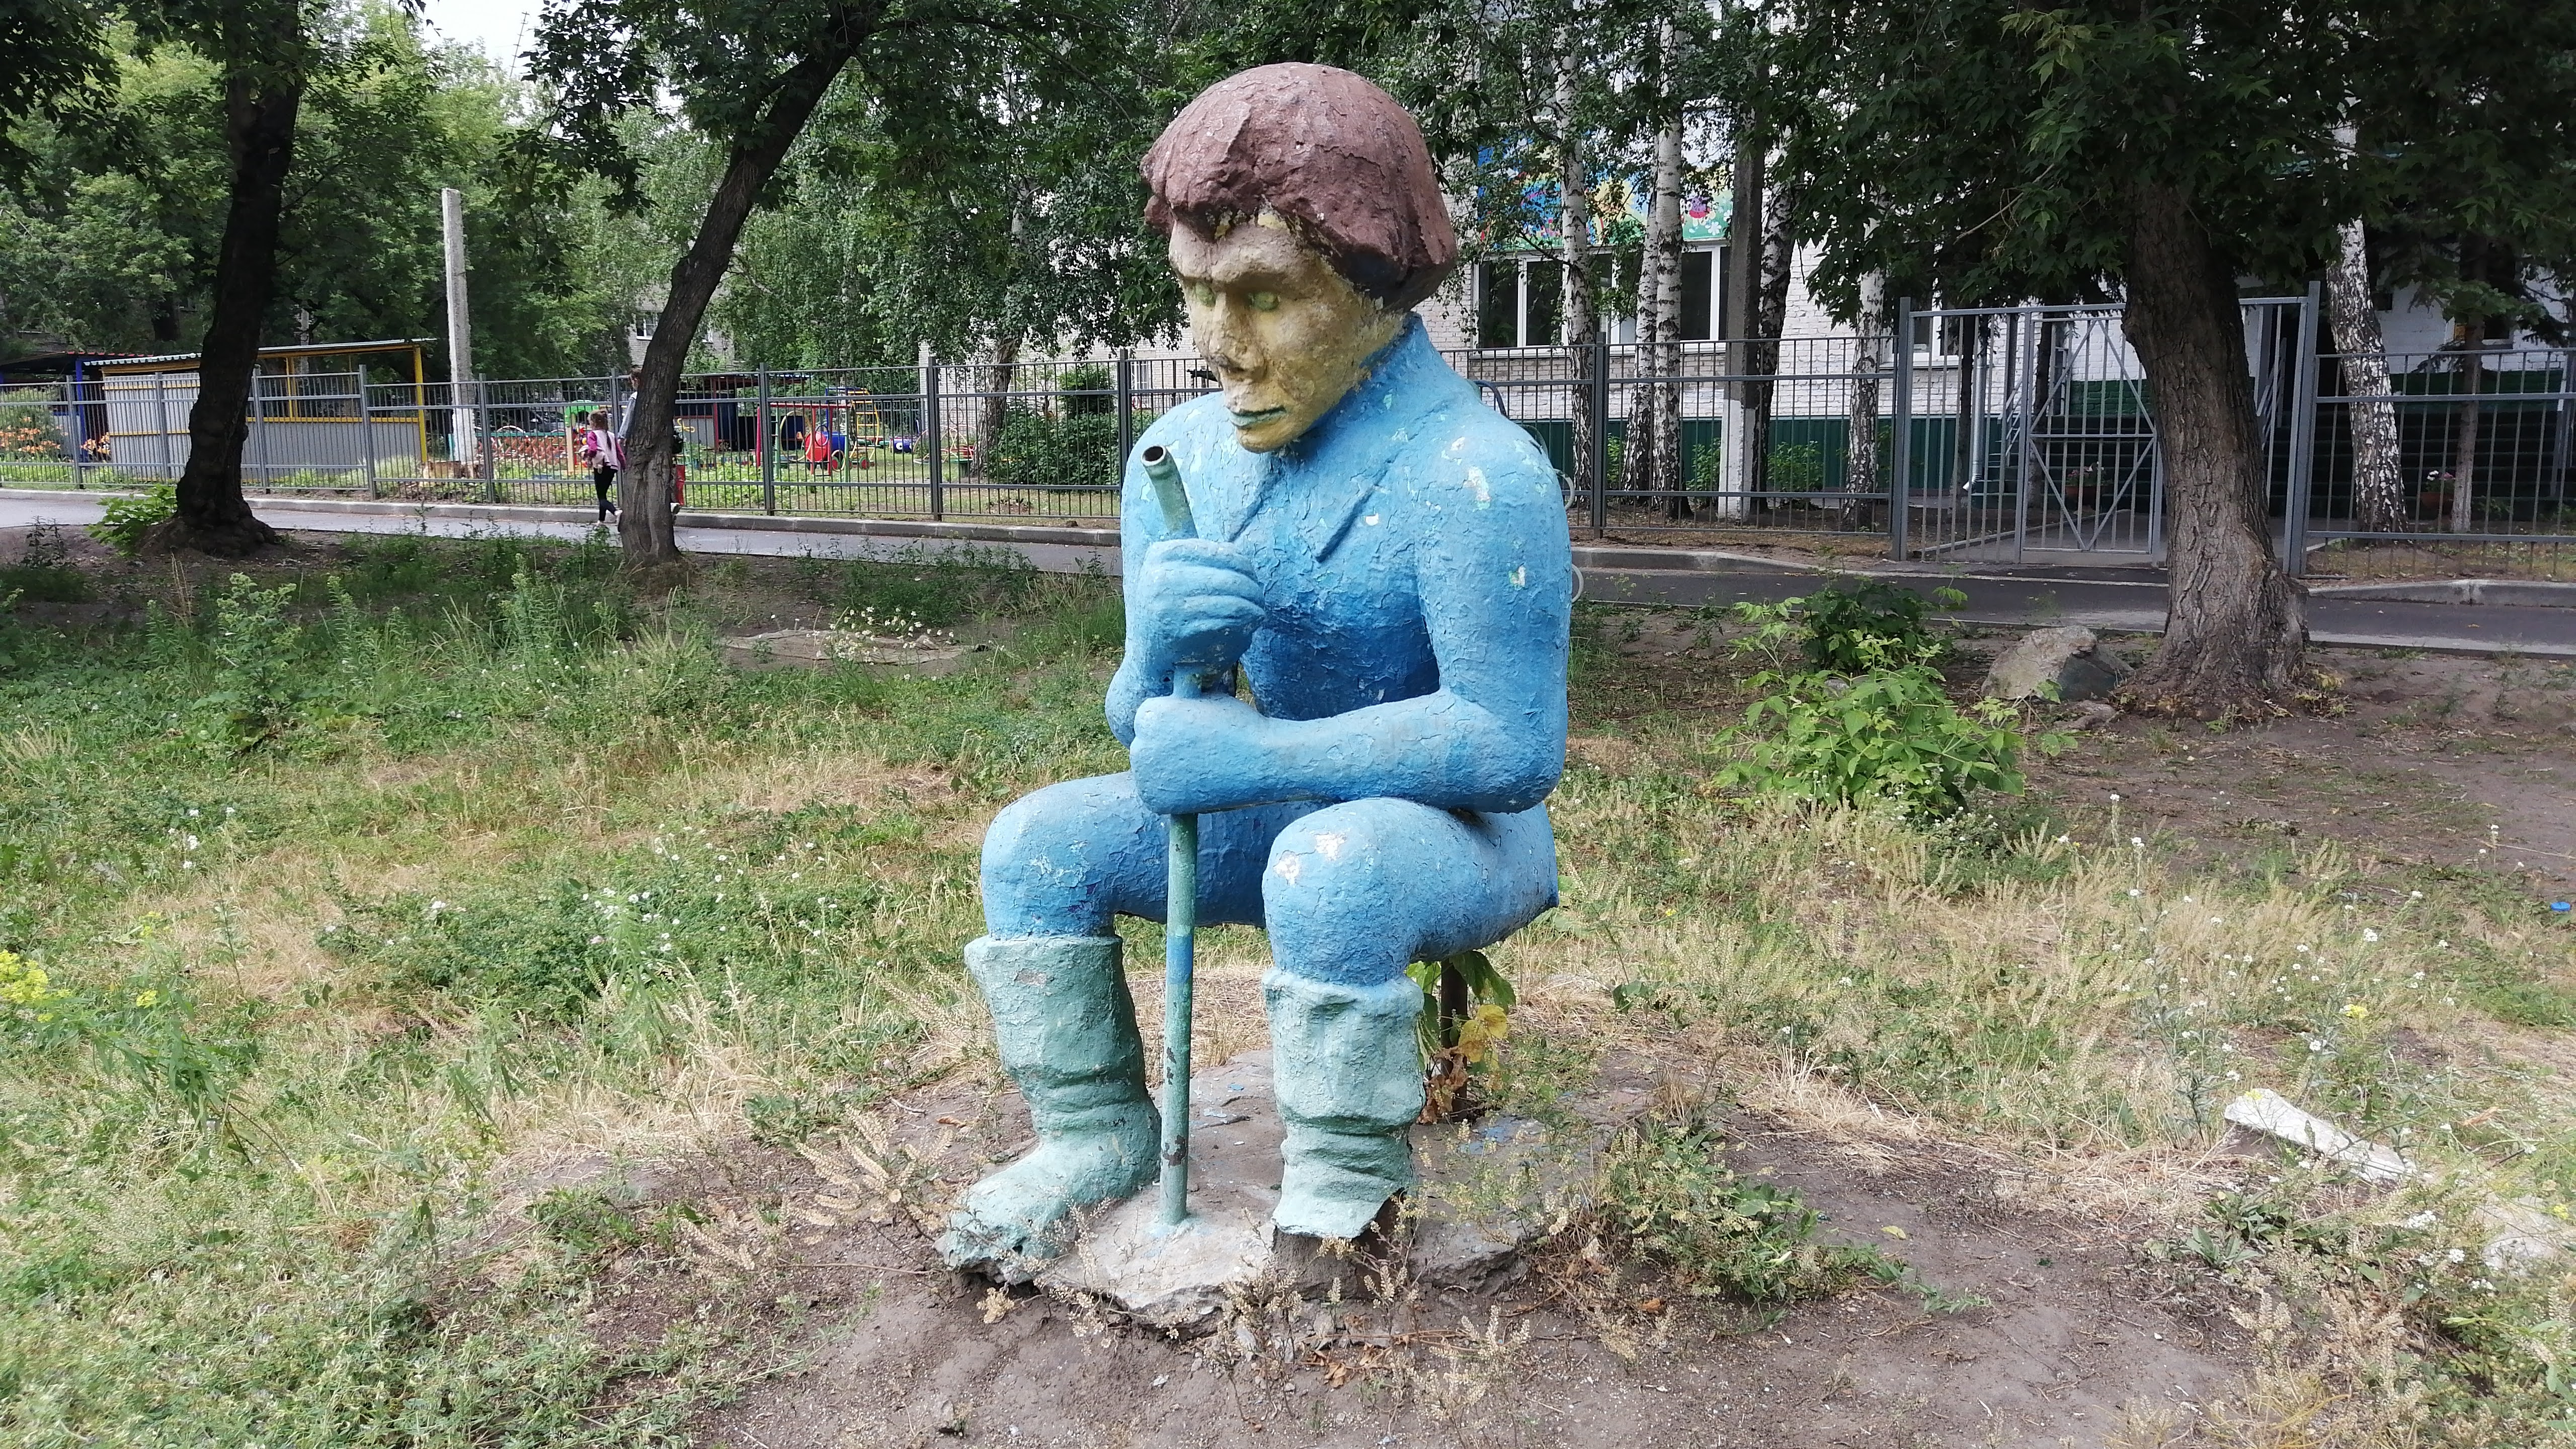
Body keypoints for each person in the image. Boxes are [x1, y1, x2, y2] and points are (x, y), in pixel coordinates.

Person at [939, 63, 1572, 1281]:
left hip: (1454, 833)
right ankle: (1094, 1136)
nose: (1215, 348)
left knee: (1331, 868)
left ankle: (1344, 1176)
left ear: (1378, 285)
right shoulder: (1178, 460)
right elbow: (1143, 723)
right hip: (1274, 812)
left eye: (1264, 298)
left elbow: (1509, 746)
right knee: (1036, 848)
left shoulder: (1474, 475)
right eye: (1194, 293)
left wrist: (1261, 754)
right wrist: (1156, 653)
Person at [578, 410, 622, 524]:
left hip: (601, 467)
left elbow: (593, 450)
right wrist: (624, 465)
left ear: (594, 423)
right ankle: (601, 521)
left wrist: (588, 457)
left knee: (601, 497)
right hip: (613, 467)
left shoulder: (593, 435)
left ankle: (616, 512)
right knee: (603, 495)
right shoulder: (611, 435)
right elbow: (619, 452)